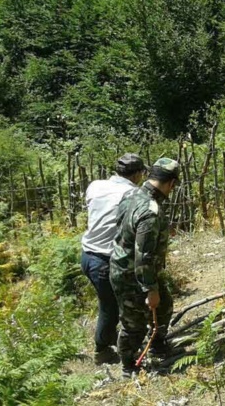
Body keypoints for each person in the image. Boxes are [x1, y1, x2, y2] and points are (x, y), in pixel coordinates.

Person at [110, 158, 179, 377]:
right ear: (171, 183)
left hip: (136, 270)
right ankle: (129, 366)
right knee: (133, 324)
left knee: (165, 305)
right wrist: (150, 289)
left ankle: (158, 343)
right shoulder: (151, 211)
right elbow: (144, 256)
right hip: (131, 275)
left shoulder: (132, 194)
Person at [80, 153, 146, 365]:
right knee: (111, 307)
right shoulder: (132, 193)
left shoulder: (95, 185)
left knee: (109, 303)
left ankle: (116, 341)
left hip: (87, 254)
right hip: (106, 259)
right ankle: (103, 350)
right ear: (137, 174)